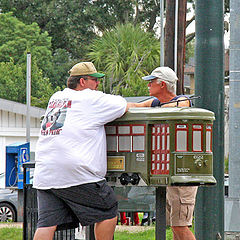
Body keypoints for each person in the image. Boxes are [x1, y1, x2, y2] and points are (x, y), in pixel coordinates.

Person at [33, 62, 138, 240]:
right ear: (82, 81)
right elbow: (123, 105)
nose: (97, 85)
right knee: (108, 208)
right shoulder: (90, 98)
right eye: (94, 80)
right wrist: (150, 104)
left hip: (45, 174)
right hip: (76, 173)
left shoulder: (56, 97)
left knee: (47, 223)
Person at [140, 67, 198, 240]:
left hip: (183, 173)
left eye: (152, 81)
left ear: (163, 84)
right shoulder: (156, 103)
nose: (148, 85)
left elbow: (181, 105)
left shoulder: (182, 101)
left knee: (180, 226)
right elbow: (135, 105)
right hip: (169, 173)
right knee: (175, 226)